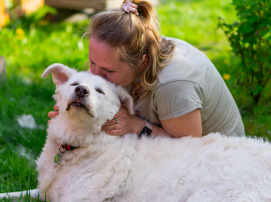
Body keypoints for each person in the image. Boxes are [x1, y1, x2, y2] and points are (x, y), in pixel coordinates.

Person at [48, 0, 245, 138]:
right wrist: (74, 110)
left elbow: (187, 150)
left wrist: (134, 125)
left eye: (109, 71)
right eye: (92, 62)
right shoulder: (122, 56)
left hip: (217, 160)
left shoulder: (173, 86)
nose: (95, 75)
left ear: (141, 63)